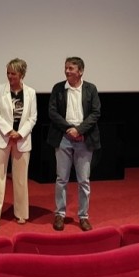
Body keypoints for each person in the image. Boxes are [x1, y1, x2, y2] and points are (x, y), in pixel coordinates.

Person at [47, 56, 101, 232]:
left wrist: (79, 130)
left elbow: (96, 113)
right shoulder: (58, 88)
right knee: (61, 179)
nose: (67, 71)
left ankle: (83, 216)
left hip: (84, 138)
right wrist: (69, 129)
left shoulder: (91, 89)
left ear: (80, 71)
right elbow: (52, 112)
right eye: (66, 68)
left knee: (83, 180)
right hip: (63, 137)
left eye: (71, 68)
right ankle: (60, 214)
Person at [0, 58, 37, 231]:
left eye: (13, 73)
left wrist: (20, 133)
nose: (9, 76)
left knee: (21, 179)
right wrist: (9, 131)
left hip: (22, 140)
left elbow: (33, 117)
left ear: (21, 74)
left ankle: (21, 213)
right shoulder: (0, 90)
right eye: (8, 73)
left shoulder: (31, 92)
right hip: (2, 138)